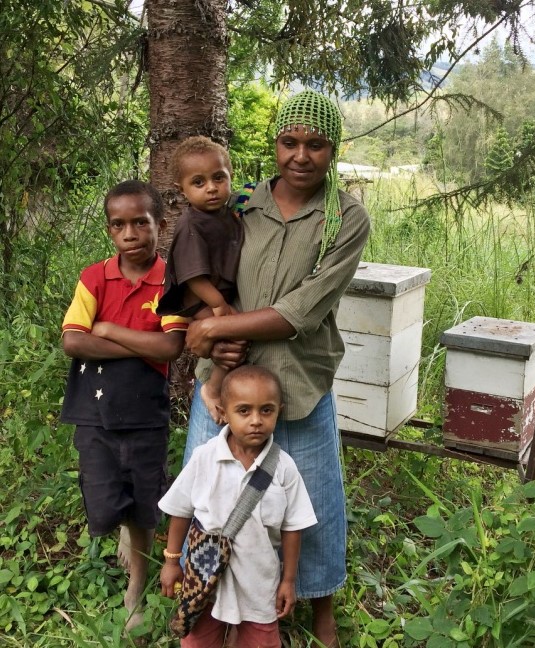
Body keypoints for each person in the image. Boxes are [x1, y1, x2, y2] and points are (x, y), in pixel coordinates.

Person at [182, 89, 371, 647]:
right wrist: (212, 336)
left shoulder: (346, 220)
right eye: (290, 142)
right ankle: (210, 602)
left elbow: (301, 311)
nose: (301, 156)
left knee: (313, 497)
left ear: (334, 150)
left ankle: (320, 608)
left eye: (316, 144)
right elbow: (206, 274)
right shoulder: (239, 205)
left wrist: (218, 329)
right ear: (274, 143)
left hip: (299, 378)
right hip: (226, 381)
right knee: (211, 494)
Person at [60, 180, 188, 632]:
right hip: (93, 409)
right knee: (103, 488)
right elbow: (73, 339)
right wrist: (142, 344)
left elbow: (171, 347)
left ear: (161, 225)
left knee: (144, 495)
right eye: (119, 225)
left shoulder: (171, 280)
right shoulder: (94, 277)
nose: (130, 233)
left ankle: (137, 583)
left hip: (144, 412)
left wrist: (110, 330)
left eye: (140, 223)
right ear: (110, 230)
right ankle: (122, 535)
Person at [159, 364, 317, 648]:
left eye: (266, 410)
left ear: (279, 410)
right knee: (198, 641)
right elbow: (180, 509)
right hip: (204, 580)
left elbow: (294, 526)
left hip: (259, 582)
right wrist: (172, 561)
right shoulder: (205, 458)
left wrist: (288, 580)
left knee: (260, 641)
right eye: (244, 411)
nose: (255, 420)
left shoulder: (283, 468)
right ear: (223, 410)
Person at [156, 136, 243, 423]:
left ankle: (216, 369)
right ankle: (212, 388)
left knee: (231, 334)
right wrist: (218, 307)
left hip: (215, 292)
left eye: (219, 178)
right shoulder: (192, 223)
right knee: (233, 334)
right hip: (199, 298)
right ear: (182, 190)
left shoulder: (225, 213)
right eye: (199, 182)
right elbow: (194, 277)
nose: (211, 188)